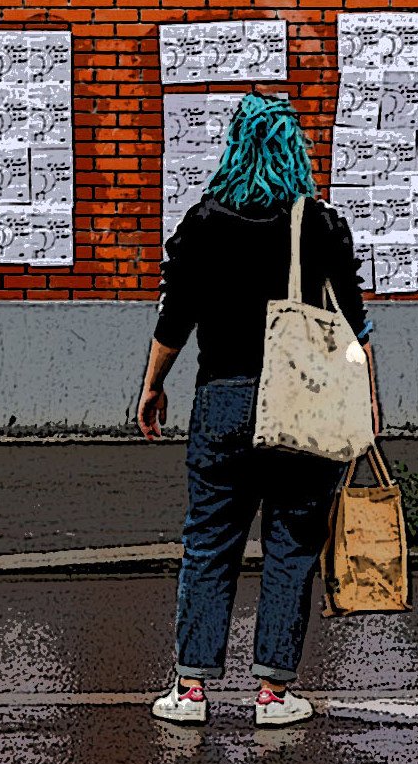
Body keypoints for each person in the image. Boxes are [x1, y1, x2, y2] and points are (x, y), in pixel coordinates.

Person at [136, 90, 380, 728]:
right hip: (302, 403)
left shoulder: (203, 223)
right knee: (292, 543)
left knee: (209, 541)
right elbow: (355, 326)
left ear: (234, 147)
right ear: (294, 150)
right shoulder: (320, 224)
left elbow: (175, 316)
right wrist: (365, 408)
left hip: (223, 398)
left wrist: (153, 384)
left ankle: (190, 689)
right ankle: (274, 691)